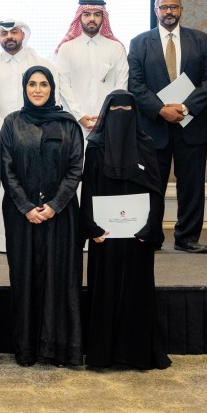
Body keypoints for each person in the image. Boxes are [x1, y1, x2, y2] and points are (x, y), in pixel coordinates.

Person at [80, 89, 171, 371]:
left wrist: (150, 226)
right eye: (115, 110)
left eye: (127, 111)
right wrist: (91, 226)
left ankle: (136, 354)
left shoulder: (146, 144)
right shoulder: (95, 147)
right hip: (104, 236)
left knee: (136, 292)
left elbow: (157, 191)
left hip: (137, 238)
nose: (121, 116)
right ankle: (102, 355)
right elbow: (89, 191)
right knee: (104, 291)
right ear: (107, 113)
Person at [0, 66, 84, 367]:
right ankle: (26, 348)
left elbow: (75, 169)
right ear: (24, 88)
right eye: (32, 84)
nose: (37, 89)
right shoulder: (11, 123)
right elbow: (6, 168)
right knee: (24, 277)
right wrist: (26, 207)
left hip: (60, 216)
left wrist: (54, 205)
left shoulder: (68, 124)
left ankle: (57, 348)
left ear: (52, 88)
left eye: (43, 84)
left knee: (58, 278)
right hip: (21, 216)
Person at [127, 0, 207, 253]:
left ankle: (187, 238)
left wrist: (187, 106)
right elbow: (135, 84)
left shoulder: (200, 40)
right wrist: (160, 109)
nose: (169, 11)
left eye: (174, 7)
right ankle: (152, 236)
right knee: (152, 185)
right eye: (163, 7)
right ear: (155, 10)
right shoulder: (139, 42)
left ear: (181, 9)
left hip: (191, 125)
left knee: (191, 185)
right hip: (154, 127)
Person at [0, 19, 48, 252]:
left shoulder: (40, 63)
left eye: (14, 32)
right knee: (2, 188)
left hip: (34, 140)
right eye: (4, 33)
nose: (9, 37)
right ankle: (3, 241)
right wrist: (1, 130)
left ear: (23, 34)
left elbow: (50, 98)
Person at [55, 0, 129, 136]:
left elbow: (121, 85)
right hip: (74, 121)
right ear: (79, 17)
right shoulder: (66, 48)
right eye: (87, 14)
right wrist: (80, 116)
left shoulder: (117, 48)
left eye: (97, 14)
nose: (92, 18)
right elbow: (63, 85)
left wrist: (105, 116)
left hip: (109, 121)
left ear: (103, 18)